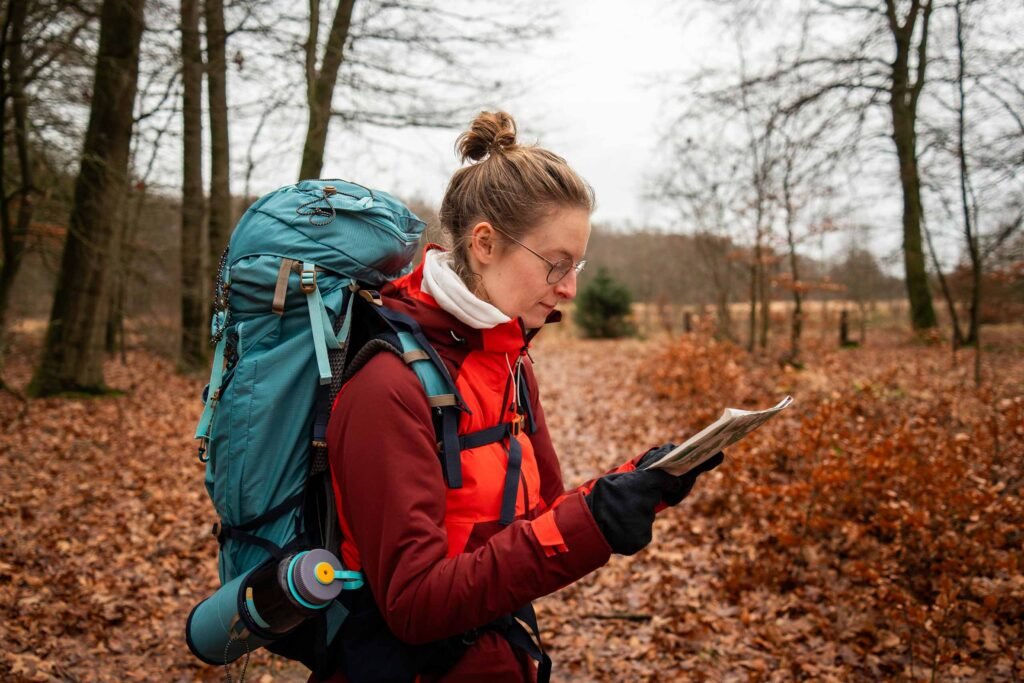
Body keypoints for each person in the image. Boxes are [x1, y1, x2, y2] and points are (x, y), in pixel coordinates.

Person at [317, 111, 723, 682]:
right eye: (556, 264)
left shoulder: (507, 360)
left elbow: (540, 520)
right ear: (484, 243)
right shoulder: (389, 385)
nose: (571, 287)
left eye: (576, 264)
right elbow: (412, 605)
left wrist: (637, 486)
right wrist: (593, 524)